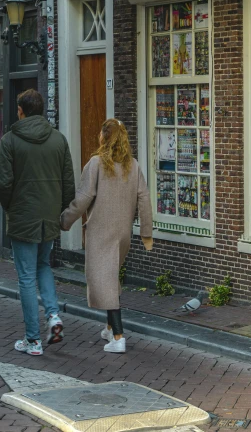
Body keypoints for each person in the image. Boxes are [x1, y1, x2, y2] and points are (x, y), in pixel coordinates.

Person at [60, 119, 153, 353]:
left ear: (103, 137)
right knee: (112, 277)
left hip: (101, 232)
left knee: (104, 281)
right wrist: (146, 232)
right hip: (123, 233)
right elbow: (144, 199)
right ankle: (110, 328)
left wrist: (65, 220)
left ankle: (119, 337)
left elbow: (83, 197)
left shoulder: (96, 164)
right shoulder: (133, 165)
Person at [0, 89, 75, 356]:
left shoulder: (10, 141)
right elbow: (69, 184)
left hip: (23, 216)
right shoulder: (59, 140)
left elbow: (3, 183)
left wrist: (11, 207)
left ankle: (33, 340)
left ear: (21, 110)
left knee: (26, 277)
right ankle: (53, 316)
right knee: (43, 266)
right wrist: (59, 209)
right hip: (49, 217)